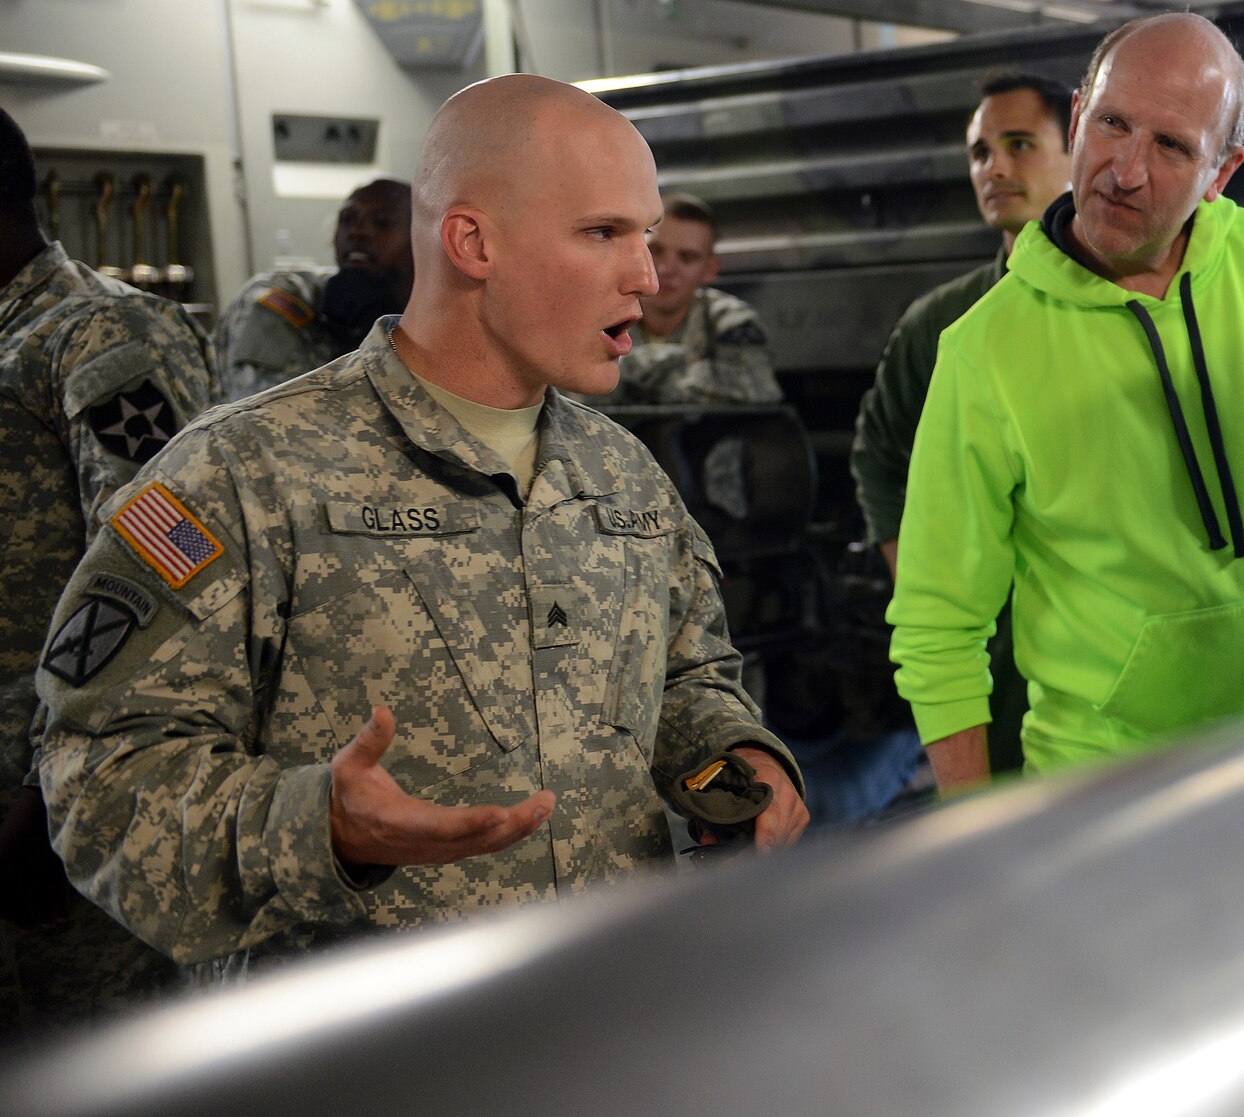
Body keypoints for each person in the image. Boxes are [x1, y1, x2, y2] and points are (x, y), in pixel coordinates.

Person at [36, 76, 807, 980]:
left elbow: (686, 675)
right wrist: (316, 826)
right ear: (473, 241)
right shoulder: (248, 473)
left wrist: (736, 752)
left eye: (644, 235)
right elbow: (98, 772)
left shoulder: (620, 470)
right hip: (373, 1056)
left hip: (610, 1017)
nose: (644, 273)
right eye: (603, 233)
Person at [889, 14, 1244, 790]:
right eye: (1112, 125)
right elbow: (938, 625)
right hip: (1098, 784)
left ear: (1222, 171)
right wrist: (973, 826)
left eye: (1170, 147)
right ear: (1076, 122)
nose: (1124, 170)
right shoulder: (983, 348)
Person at [0, 106, 213, 1027]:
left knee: (88, 1049)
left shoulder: (96, 336)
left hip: (56, 796)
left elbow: (168, 567)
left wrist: (51, 791)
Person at [851, 70, 1073, 779]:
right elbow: (880, 456)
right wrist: (922, 586)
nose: (996, 167)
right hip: (991, 649)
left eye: (1019, 144)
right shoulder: (942, 324)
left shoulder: (1123, 307)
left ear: (1078, 155)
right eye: (981, 152)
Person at [210, 179, 413, 401]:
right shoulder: (283, 295)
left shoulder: (435, 317)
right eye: (347, 220)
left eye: (381, 222)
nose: (357, 232)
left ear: (419, 238)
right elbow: (272, 415)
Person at [588, 193, 781, 407]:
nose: (666, 269)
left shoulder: (731, 322)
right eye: (656, 251)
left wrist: (633, 371)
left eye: (687, 257)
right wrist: (688, 371)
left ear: (710, 270)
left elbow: (757, 392)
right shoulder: (603, 316)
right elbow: (574, 395)